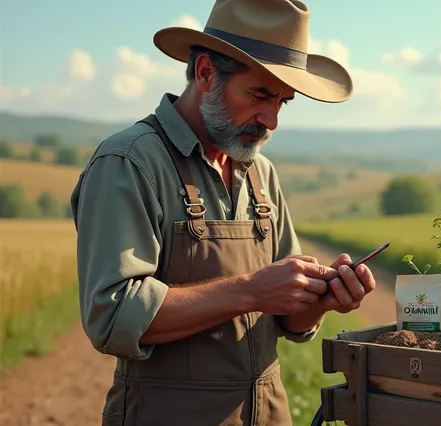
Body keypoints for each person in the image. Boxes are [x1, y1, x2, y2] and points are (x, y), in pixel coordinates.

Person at [69, 1, 376, 425]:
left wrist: (322, 299)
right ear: (206, 73)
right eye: (259, 95)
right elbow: (113, 315)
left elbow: (289, 317)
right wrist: (250, 289)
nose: (271, 120)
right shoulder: (129, 162)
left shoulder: (260, 172)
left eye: (283, 102)